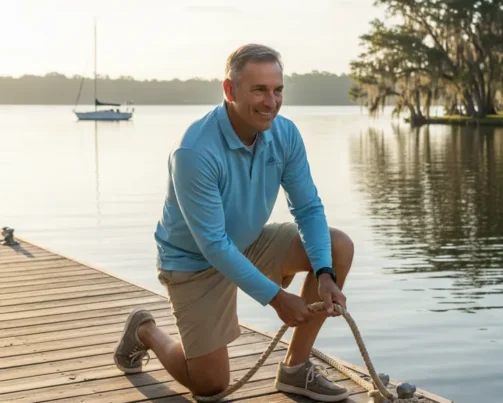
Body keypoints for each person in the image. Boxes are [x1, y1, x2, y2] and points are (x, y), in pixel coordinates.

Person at [113, 43, 355, 402]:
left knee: (337, 247)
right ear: (229, 90)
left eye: (277, 90)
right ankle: (145, 330)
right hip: (193, 262)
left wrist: (324, 273)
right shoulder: (194, 151)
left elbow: (308, 208)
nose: (270, 102)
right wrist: (276, 298)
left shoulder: (285, 134)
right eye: (259, 89)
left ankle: (295, 369)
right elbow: (213, 245)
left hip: (248, 241)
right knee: (210, 386)